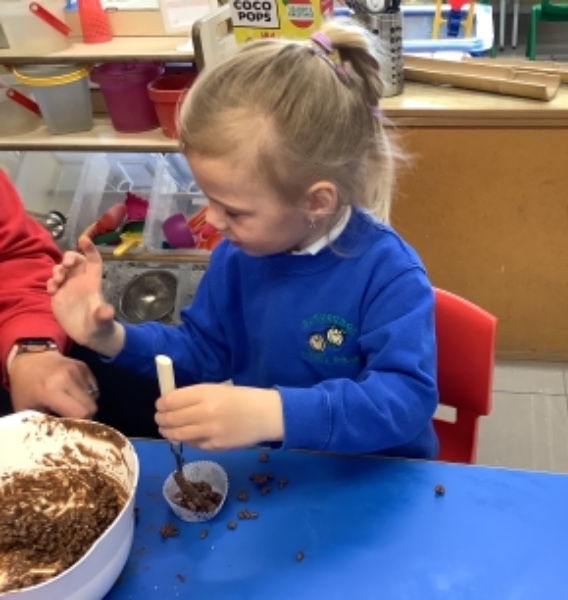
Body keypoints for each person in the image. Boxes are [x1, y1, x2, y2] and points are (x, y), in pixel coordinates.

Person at [48, 19, 439, 459]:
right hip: (281, 467)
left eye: (233, 210)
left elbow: (404, 400)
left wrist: (275, 413)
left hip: (378, 473)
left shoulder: (389, 273)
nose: (213, 221)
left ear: (316, 202)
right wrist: (112, 338)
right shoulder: (237, 256)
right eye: (209, 199)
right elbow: (202, 351)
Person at [0, 170, 161, 438]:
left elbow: (14, 257)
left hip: (20, 339)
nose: (214, 218)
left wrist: (31, 349)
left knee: (142, 401)